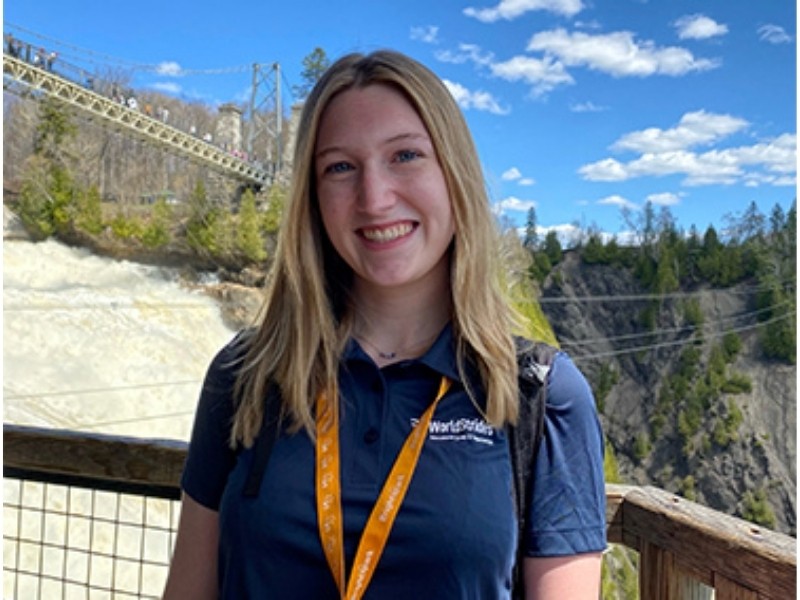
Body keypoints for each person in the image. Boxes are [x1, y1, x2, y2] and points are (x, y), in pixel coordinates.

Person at [163, 49, 606, 600]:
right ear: (313, 197)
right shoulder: (245, 375)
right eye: (340, 167)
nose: (374, 198)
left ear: (455, 175)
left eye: (405, 156)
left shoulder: (542, 396)